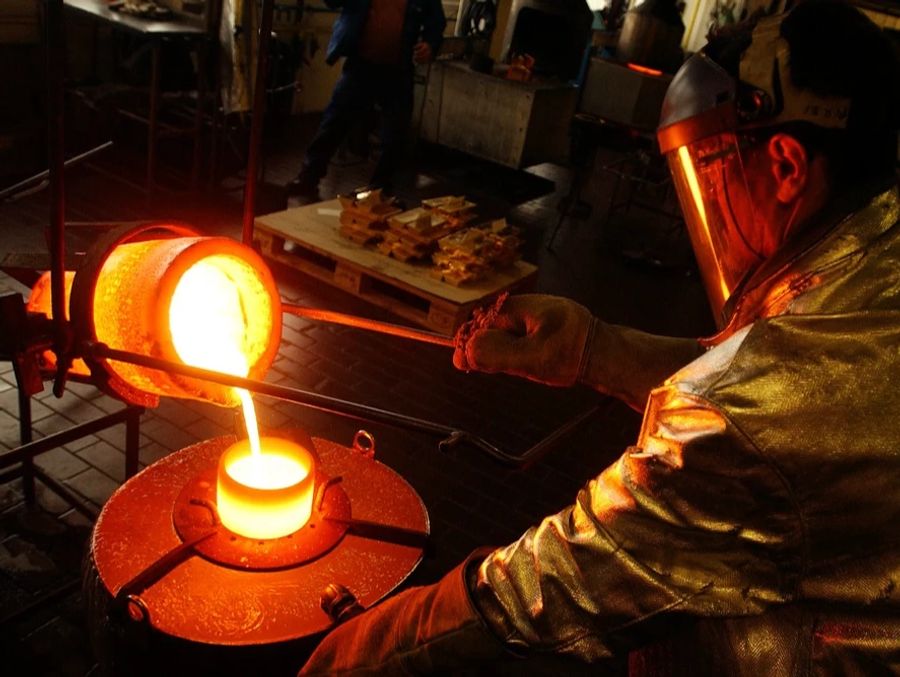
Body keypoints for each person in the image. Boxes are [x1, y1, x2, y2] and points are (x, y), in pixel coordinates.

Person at [299, 1, 900, 673]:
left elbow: (566, 577)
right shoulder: (874, 261)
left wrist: (364, 652)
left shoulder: (762, 408)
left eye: (714, 173)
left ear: (786, 165)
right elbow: (778, 386)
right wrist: (593, 348)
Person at [286, 0, 446, 202]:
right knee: (334, 122)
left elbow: (437, 21)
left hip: (398, 71)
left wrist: (431, 44)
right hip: (360, 65)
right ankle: (308, 178)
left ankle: (379, 191)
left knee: (396, 135)